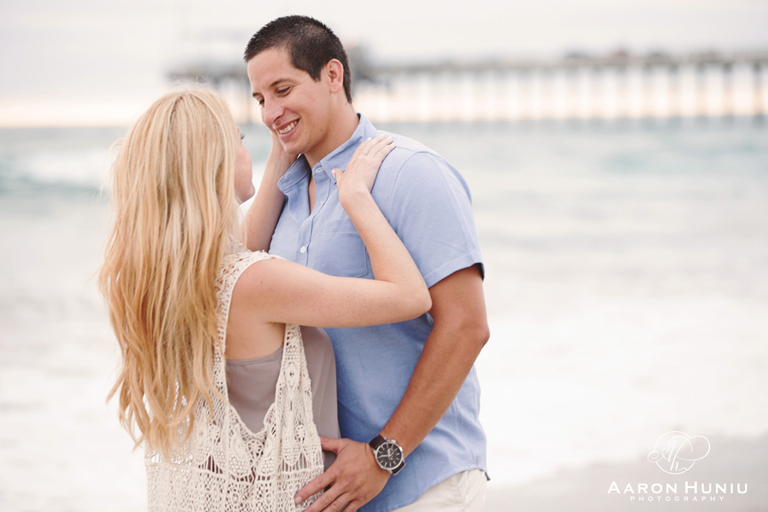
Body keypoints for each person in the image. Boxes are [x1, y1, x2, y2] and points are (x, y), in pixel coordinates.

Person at [98, 88, 432, 510]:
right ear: (214, 162)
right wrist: (356, 198)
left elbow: (240, 247)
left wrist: (280, 157)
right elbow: (410, 296)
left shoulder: (164, 281)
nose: (247, 146)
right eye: (237, 138)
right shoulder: (254, 283)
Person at [243, 15, 490, 512]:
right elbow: (236, 273)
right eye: (259, 99)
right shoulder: (285, 199)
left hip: (423, 484)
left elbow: (466, 326)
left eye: (282, 88)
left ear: (333, 76)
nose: (270, 111)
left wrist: (384, 455)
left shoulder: (410, 172)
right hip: (332, 492)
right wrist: (279, 149)